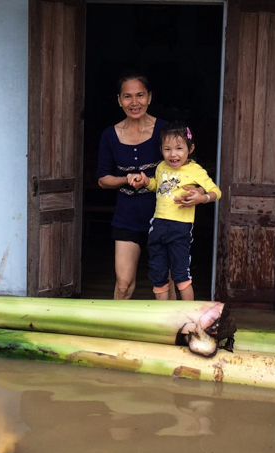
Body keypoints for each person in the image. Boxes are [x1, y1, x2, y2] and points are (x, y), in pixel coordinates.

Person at [96, 72, 175, 300]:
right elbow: (103, 179)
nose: (134, 102)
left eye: (140, 95)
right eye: (128, 97)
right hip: (127, 216)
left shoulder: (164, 130)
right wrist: (126, 179)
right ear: (119, 100)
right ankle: (114, 332)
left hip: (162, 215)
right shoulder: (110, 135)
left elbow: (182, 169)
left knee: (166, 283)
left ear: (149, 97)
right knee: (123, 284)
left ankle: (171, 333)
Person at [129, 122, 221, 301]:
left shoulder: (195, 170)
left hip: (180, 228)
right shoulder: (161, 167)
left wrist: (202, 198)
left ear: (190, 148)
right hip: (158, 226)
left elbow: (216, 192)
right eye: (167, 149)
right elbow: (158, 187)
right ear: (161, 150)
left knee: (180, 274)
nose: (173, 154)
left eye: (179, 148)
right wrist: (145, 182)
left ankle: (189, 315)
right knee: (158, 273)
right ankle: (163, 315)